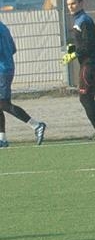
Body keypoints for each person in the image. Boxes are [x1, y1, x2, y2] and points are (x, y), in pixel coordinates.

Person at [62, 0, 95, 139]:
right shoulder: (79, 20)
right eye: (68, 5)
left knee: (85, 100)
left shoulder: (84, 20)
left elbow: (89, 44)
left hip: (90, 65)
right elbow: (82, 42)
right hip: (89, 64)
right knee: (87, 100)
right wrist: (72, 48)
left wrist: (74, 53)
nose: (71, 7)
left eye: (73, 3)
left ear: (81, 3)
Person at [0, 18, 47, 147]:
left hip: (2, 70)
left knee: (3, 104)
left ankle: (36, 125)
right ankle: (2, 139)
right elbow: (13, 49)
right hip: (7, 68)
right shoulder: (3, 27)